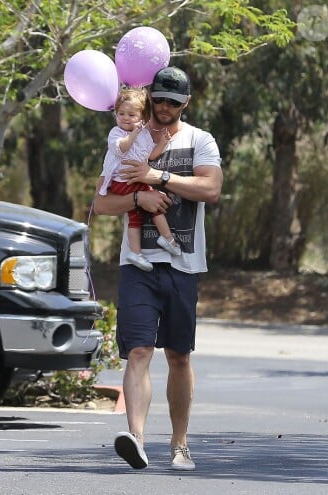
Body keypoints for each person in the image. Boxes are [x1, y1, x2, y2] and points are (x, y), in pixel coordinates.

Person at [93, 67, 223, 471]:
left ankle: (180, 444)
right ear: (149, 98)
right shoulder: (124, 138)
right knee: (138, 350)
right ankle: (136, 437)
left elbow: (211, 188)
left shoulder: (198, 140)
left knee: (179, 356)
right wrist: (139, 201)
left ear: (186, 103)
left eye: (172, 101)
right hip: (138, 265)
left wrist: (158, 178)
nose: (164, 107)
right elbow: (100, 204)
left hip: (184, 264)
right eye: (158, 99)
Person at [99, 88, 181, 272]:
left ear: (142, 118)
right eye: (121, 113)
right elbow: (121, 148)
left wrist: (162, 144)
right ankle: (167, 239)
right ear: (115, 114)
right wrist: (133, 134)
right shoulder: (116, 133)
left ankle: (138, 251)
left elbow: (150, 155)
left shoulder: (144, 134)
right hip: (123, 181)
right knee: (153, 202)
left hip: (136, 179)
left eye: (131, 114)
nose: (125, 118)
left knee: (137, 216)